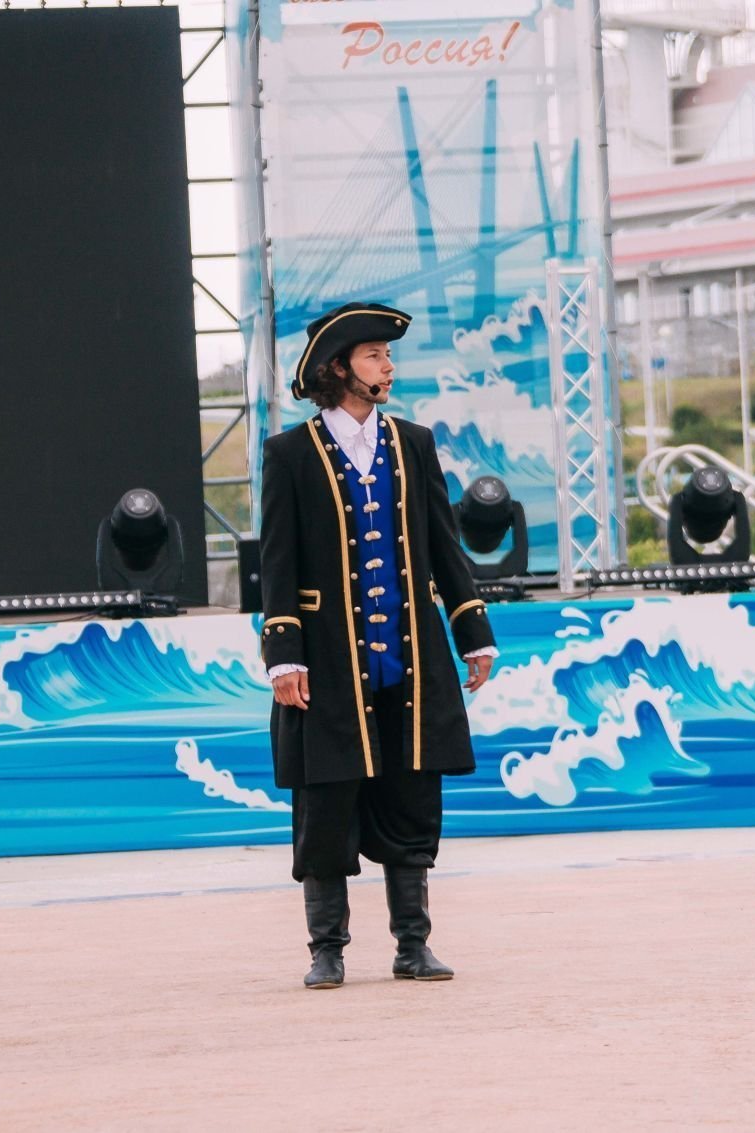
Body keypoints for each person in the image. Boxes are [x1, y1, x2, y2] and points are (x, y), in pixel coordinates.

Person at [259, 301, 498, 989]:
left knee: (410, 798)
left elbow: (444, 548)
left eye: (387, 356)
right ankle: (326, 949)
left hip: (409, 658)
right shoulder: (289, 454)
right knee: (326, 802)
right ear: (339, 368)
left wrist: (472, 631)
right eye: (374, 356)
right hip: (328, 662)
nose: (388, 366)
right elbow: (278, 563)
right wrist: (283, 654)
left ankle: (412, 944)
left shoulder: (413, 443)